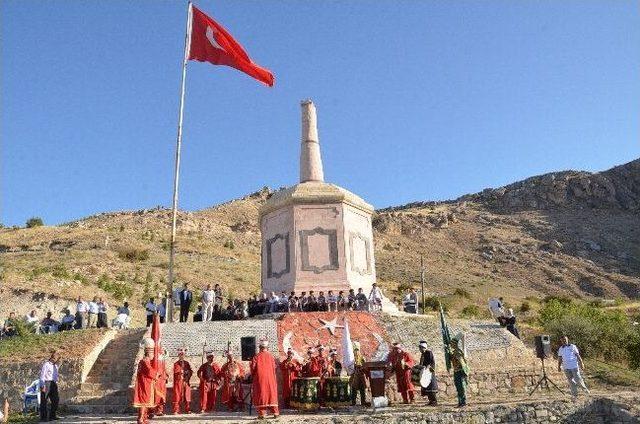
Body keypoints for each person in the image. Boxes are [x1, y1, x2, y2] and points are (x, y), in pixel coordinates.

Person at [251, 339, 279, 419]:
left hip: (260, 379)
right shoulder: (271, 356)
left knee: (262, 395)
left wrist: (253, 375)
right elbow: (274, 367)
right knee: (271, 394)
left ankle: (262, 414)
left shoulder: (256, 356)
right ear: (267, 347)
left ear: (260, 347)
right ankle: (275, 413)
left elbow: (253, 368)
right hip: (271, 379)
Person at [133, 338, 157, 424]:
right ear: (149, 354)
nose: (153, 356)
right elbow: (150, 371)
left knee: (145, 402)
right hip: (144, 384)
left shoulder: (144, 361)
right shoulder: (145, 361)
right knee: (144, 402)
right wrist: (156, 375)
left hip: (144, 383)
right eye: (152, 354)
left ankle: (143, 418)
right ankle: (140, 419)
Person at [448, 334, 469, 407]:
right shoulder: (454, 352)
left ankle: (463, 402)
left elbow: (462, 363)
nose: (451, 345)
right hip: (456, 371)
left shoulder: (457, 352)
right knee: (458, 388)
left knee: (461, 388)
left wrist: (464, 373)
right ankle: (460, 402)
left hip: (460, 372)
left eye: (452, 344)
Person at [39, 350, 61, 422]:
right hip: (46, 383)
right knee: (44, 401)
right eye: (57, 359)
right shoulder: (46, 364)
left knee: (55, 400)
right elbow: (42, 375)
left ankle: (52, 416)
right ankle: (43, 418)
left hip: (53, 384)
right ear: (53, 358)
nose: (57, 361)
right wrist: (42, 385)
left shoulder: (55, 366)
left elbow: (55, 375)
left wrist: (56, 382)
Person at [172, 348, 193, 414]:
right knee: (177, 395)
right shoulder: (176, 364)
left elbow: (190, 371)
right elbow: (175, 372)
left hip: (186, 381)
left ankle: (188, 409)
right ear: (179, 355)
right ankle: (176, 410)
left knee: (187, 395)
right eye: (180, 355)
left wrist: (188, 372)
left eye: (183, 355)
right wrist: (180, 372)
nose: (182, 356)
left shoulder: (187, 363)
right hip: (179, 382)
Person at [418, 341, 438, 405]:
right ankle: (430, 401)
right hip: (425, 373)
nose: (420, 349)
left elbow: (430, 362)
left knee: (431, 387)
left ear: (424, 347)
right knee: (427, 387)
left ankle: (434, 401)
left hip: (429, 372)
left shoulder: (429, 352)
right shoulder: (423, 354)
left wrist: (426, 368)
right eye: (420, 348)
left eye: (421, 348)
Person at [349, 341, 368, 406]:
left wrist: (361, 367)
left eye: (357, 350)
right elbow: (350, 367)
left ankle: (363, 402)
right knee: (354, 389)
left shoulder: (362, 358)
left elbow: (365, 366)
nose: (356, 352)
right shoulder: (352, 358)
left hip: (361, 376)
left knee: (362, 389)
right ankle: (353, 402)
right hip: (355, 376)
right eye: (355, 350)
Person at [154, 350, 169, 416]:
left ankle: (160, 410)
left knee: (162, 396)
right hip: (158, 381)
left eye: (164, 352)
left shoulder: (163, 361)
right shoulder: (157, 361)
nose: (163, 353)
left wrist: (166, 376)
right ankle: (152, 411)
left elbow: (164, 370)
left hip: (162, 381)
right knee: (156, 396)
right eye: (162, 352)